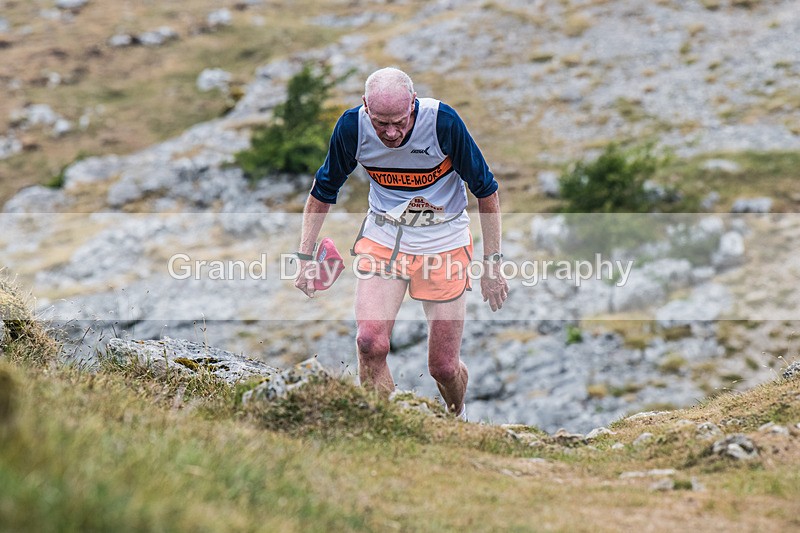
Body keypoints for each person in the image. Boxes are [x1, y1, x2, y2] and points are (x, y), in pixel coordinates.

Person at [294, 67, 508, 419]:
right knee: (369, 343)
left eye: (398, 121)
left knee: (443, 366)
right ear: (365, 108)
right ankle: (386, 424)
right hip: (384, 239)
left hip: (445, 244)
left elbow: (487, 192)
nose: (391, 133)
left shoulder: (443, 123)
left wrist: (493, 264)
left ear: (413, 104)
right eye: (381, 123)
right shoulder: (352, 128)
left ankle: (457, 419)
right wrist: (304, 255)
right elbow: (321, 193)